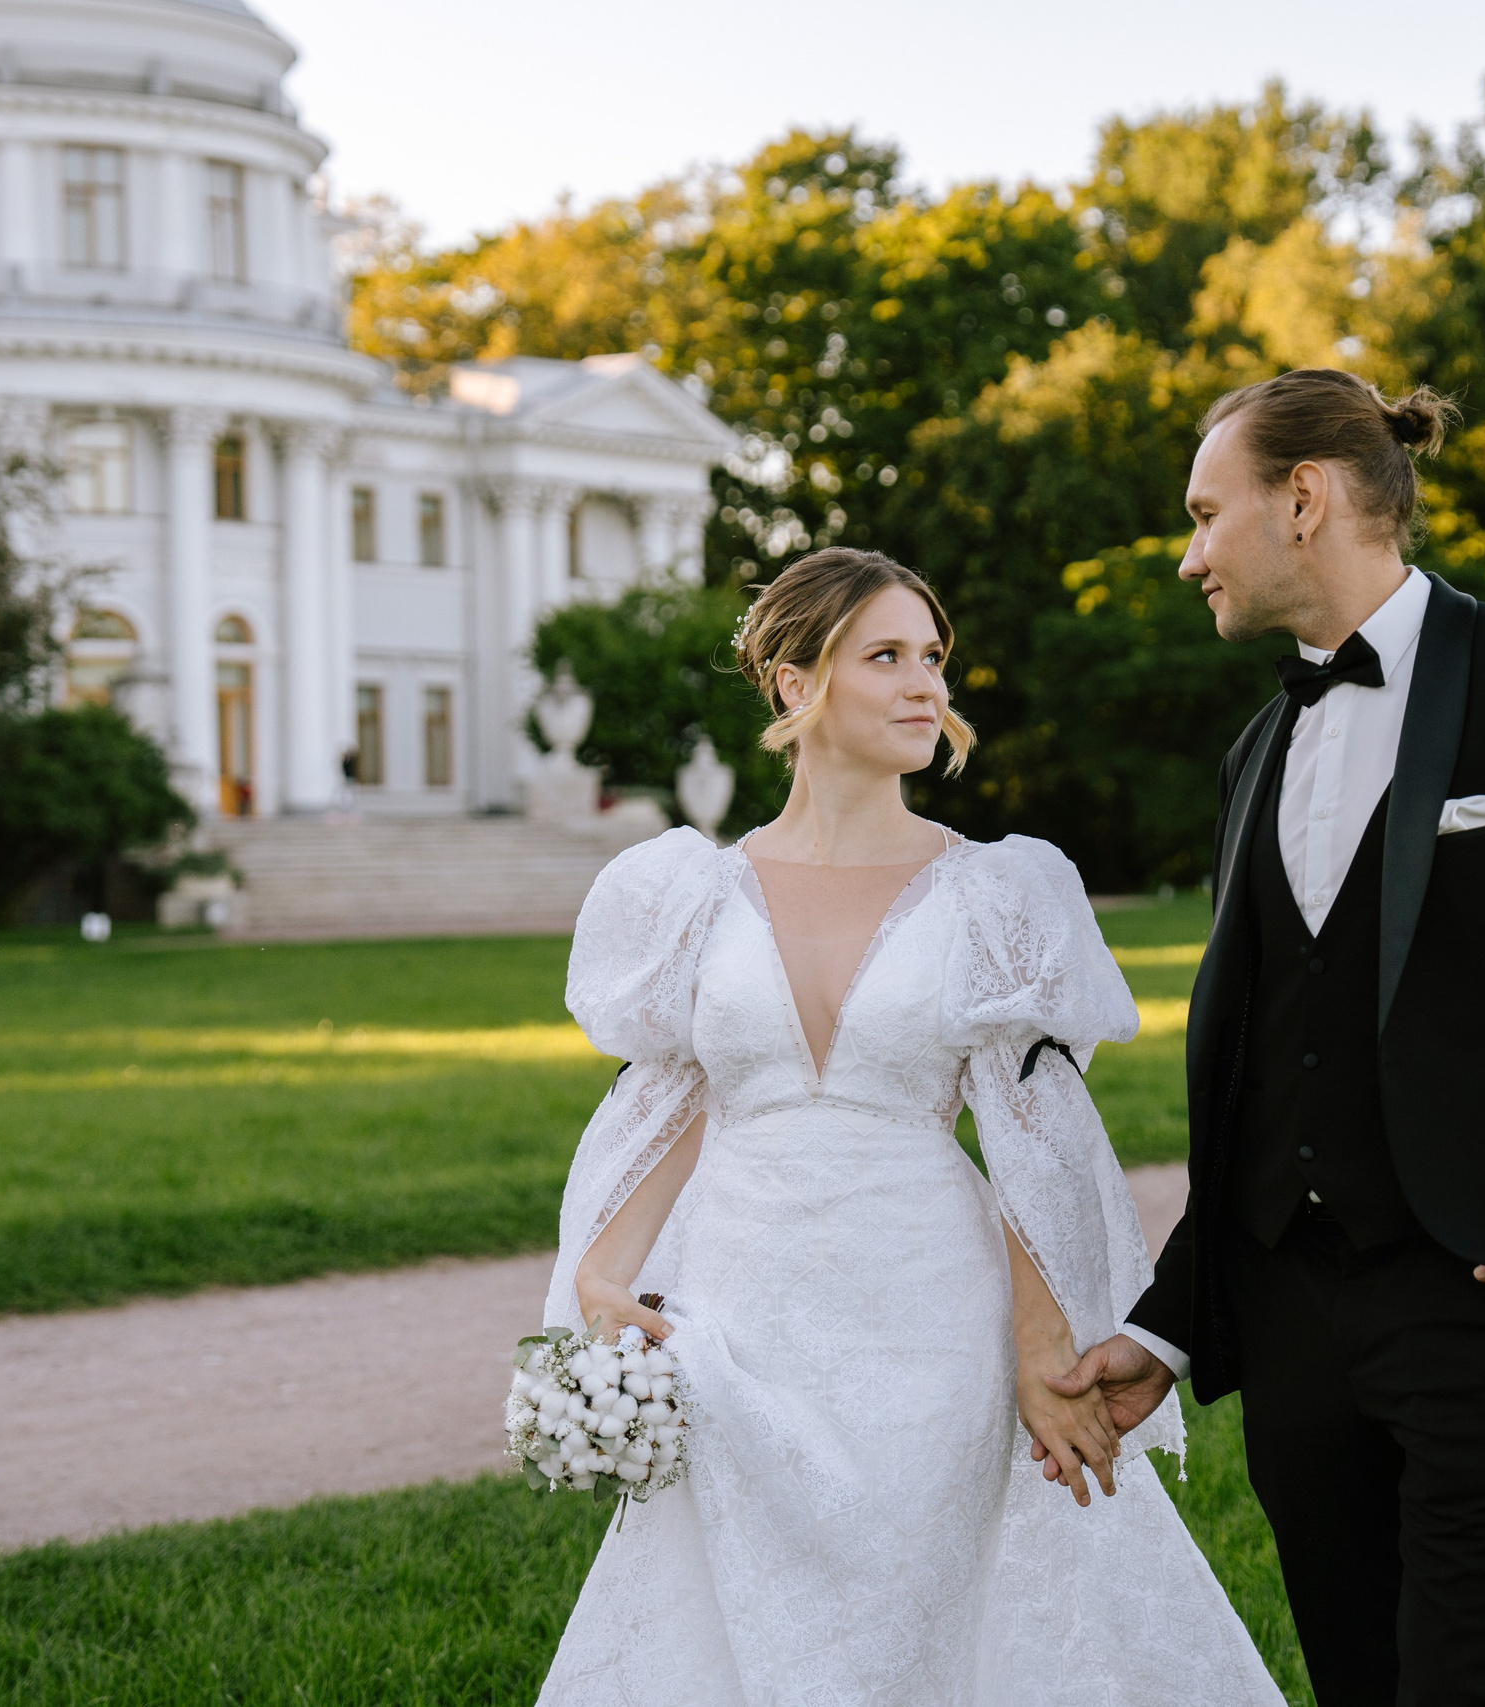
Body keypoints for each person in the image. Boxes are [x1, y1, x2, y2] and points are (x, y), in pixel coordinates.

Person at [1051, 369, 1485, 1705]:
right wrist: (1177, 1325)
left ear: (1304, 499)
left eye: (1205, 513)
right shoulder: (1256, 747)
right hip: (1295, 1319)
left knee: (1476, 1683)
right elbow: (1266, 1069)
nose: (1189, 554)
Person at [535, 548, 1280, 1704]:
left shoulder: (994, 891)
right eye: (886, 657)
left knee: (948, 1594)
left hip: (930, 1311)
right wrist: (600, 1280)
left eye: (932, 658)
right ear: (795, 683)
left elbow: (1033, 1141)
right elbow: (671, 1098)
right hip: (745, 1306)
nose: (924, 684)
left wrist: (1043, 1352)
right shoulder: (686, 892)